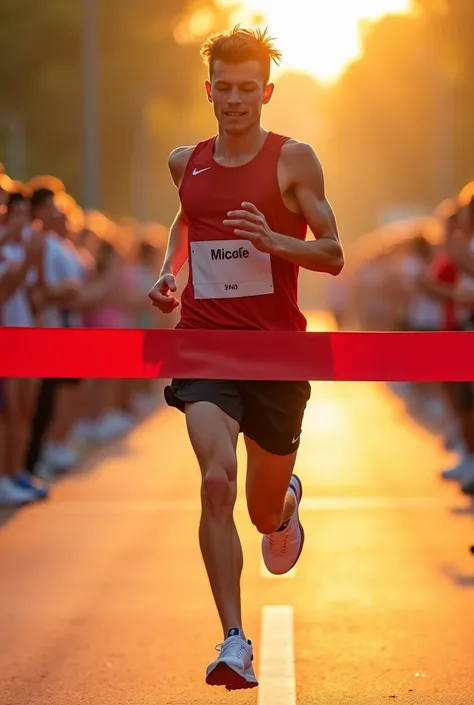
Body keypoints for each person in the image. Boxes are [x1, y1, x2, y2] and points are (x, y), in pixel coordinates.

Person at [148, 26, 343, 691]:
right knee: (214, 480)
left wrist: (274, 241)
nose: (235, 101)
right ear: (209, 91)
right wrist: (170, 274)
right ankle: (234, 639)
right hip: (203, 344)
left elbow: (334, 252)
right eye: (223, 89)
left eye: (247, 90)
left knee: (258, 510)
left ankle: (283, 506)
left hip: (278, 354)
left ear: (266, 91)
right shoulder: (187, 162)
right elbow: (186, 220)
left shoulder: (294, 162)